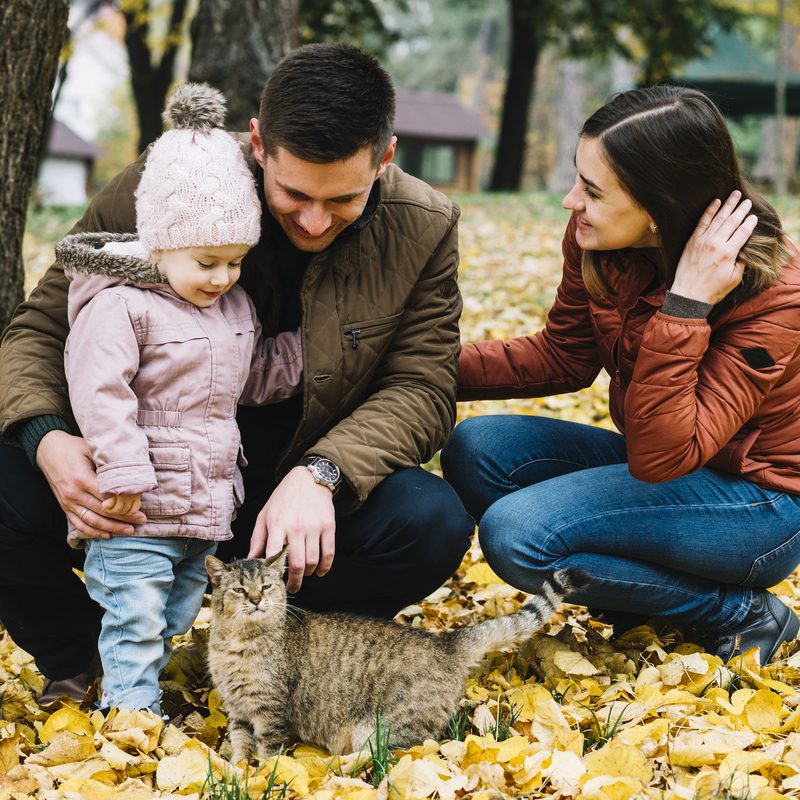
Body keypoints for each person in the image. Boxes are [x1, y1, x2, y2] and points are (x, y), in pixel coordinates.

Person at [0, 43, 472, 703]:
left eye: (342, 200)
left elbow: (421, 387)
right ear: (257, 144)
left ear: (385, 158)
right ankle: (80, 654)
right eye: (294, 194)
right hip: (140, 479)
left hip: (288, 487)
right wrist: (47, 436)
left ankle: (285, 651)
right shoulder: (165, 182)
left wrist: (324, 474)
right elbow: (40, 329)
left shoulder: (424, 226)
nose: (314, 221)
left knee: (430, 520)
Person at [442, 85, 800, 665]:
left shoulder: (775, 292)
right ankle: (654, 601)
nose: (569, 202)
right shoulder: (604, 240)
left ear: (659, 210)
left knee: (518, 538)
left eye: (592, 190)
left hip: (757, 506)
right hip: (663, 468)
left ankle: (740, 615)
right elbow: (564, 355)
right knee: (478, 448)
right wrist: (414, 365)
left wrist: (686, 307)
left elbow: (662, 455)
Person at [60, 83, 304, 716]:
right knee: (134, 610)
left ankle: (139, 688)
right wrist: (124, 468)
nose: (222, 278)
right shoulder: (119, 305)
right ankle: (130, 713)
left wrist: (309, 357)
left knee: (179, 607)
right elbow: (100, 391)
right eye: (206, 262)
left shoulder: (232, 306)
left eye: (234, 262)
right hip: (135, 504)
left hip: (204, 503)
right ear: (161, 244)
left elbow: (246, 379)